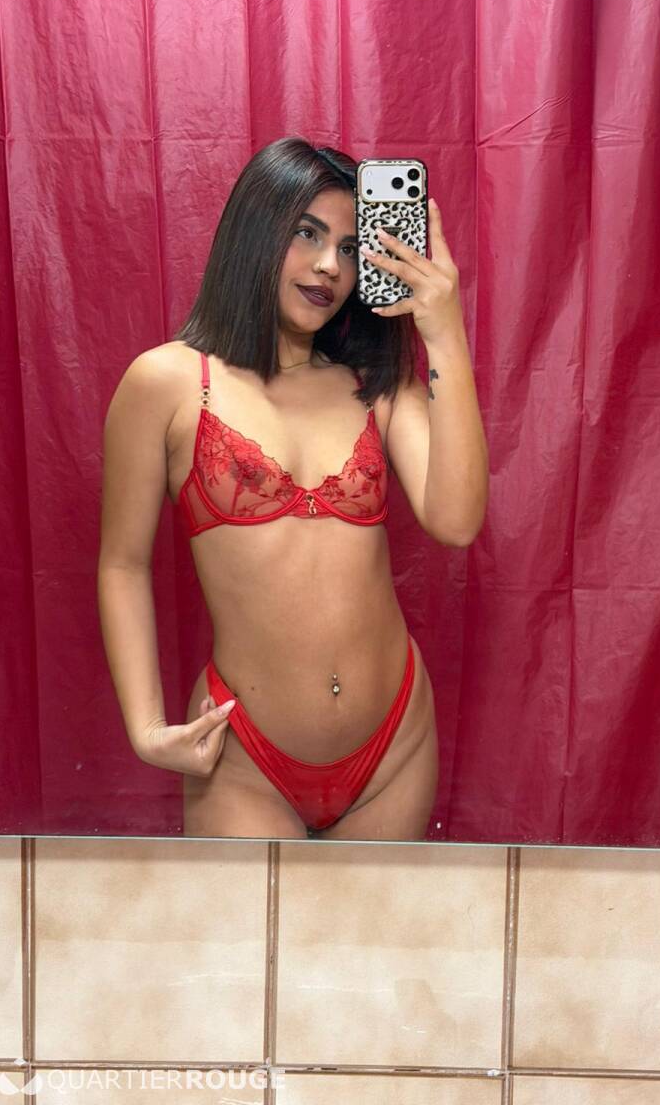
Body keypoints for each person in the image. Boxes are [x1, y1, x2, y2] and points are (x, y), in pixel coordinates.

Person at [98, 136, 489, 840]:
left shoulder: (375, 385)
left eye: (349, 247)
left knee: (377, 922)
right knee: (246, 922)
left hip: (394, 746)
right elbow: (122, 564)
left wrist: (444, 329)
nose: (329, 265)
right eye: (306, 233)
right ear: (255, 230)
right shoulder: (167, 382)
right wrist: (145, 727)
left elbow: (457, 521)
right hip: (244, 754)